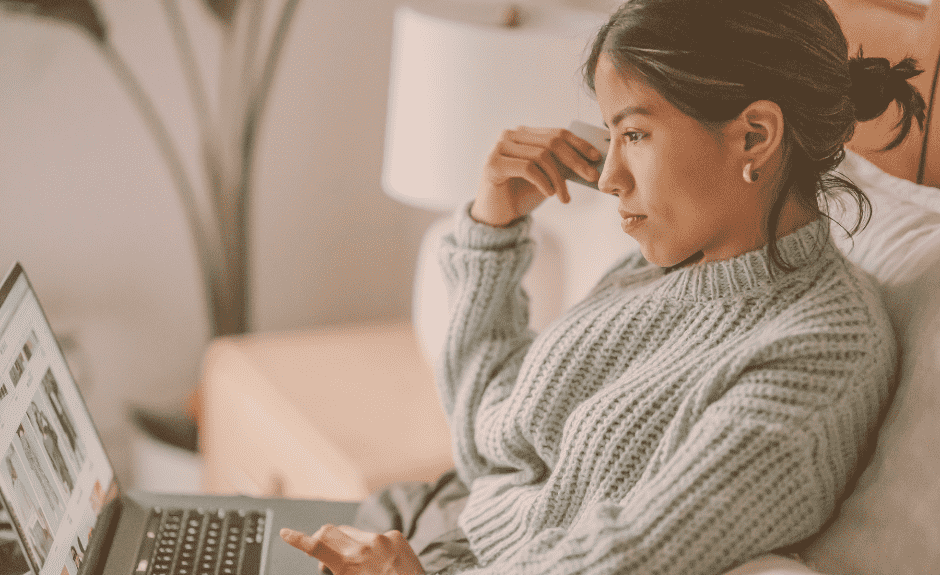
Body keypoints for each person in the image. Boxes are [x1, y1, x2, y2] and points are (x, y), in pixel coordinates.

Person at [280, 0, 925, 573]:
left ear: (754, 136)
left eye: (637, 133)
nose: (611, 176)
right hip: (439, 526)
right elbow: (490, 448)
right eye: (610, 134)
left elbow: (633, 555)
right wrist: (491, 230)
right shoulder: (661, 268)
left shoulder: (822, 351)